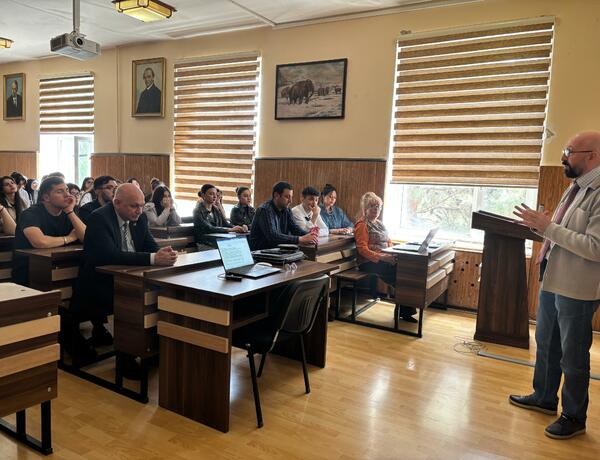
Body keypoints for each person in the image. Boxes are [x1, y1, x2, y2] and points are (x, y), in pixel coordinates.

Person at [510, 131, 600, 440]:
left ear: (592, 156)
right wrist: (541, 228)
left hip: (578, 286)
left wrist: (548, 227)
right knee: (547, 343)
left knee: (572, 354)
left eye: (569, 151)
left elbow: (595, 247)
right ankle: (544, 397)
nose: (563, 156)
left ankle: (574, 416)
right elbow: (560, 231)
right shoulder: (576, 186)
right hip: (553, 276)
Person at [74, 183, 177, 352]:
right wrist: (153, 258)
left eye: (142, 205)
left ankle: (156, 349)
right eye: (134, 206)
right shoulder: (99, 218)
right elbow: (110, 255)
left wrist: (164, 253)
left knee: (162, 295)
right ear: (117, 203)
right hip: (101, 283)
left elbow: (150, 245)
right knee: (140, 300)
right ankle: (129, 353)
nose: (139, 211)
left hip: (130, 277)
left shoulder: (140, 218)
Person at [354, 192, 417, 323]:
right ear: (365, 208)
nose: (377, 210)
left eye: (379, 207)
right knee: (400, 275)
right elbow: (362, 250)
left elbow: (388, 241)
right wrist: (383, 257)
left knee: (406, 271)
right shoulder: (362, 225)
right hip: (368, 262)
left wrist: (393, 253)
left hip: (383, 259)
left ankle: (405, 311)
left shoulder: (380, 224)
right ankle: (404, 312)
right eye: (373, 207)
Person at [12, 176, 86, 286]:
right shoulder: (30, 214)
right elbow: (40, 242)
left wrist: (70, 211)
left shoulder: (68, 212)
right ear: (46, 197)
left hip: (62, 265)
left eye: (67, 190)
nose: (67, 195)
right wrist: (69, 238)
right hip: (31, 271)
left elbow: (86, 237)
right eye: (60, 192)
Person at [249, 181, 319, 250]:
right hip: (261, 252)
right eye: (287, 197)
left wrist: (310, 235)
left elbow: (295, 229)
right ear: (276, 195)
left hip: (277, 251)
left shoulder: (287, 210)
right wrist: (299, 239)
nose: (290, 201)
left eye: (291, 197)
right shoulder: (265, 210)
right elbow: (273, 236)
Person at [193, 184, 245, 248]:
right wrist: (230, 230)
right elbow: (208, 228)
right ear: (203, 195)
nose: (215, 196)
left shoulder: (215, 209)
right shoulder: (198, 211)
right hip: (205, 242)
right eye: (211, 194)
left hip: (218, 240)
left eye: (215, 194)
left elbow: (225, 223)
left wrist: (238, 228)